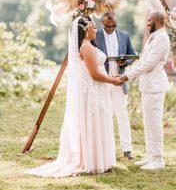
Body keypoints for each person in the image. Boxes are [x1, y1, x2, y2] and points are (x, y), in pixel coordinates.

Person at [25, 17, 123, 177]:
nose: (96, 30)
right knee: (93, 122)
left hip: (97, 90)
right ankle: (92, 160)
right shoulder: (87, 48)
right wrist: (113, 81)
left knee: (96, 122)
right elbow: (95, 74)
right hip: (93, 91)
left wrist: (110, 77)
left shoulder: (87, 46)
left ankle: (98, 159)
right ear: (86, 29)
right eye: (93, 27)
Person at [120, 11, 170, 170]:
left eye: (149, 21)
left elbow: (149, 63)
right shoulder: (154, 37)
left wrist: (127, 76)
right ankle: (150, 156)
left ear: (157, 20)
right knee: (148, 122)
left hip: (155, 86)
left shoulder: (161, 38)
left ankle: (157, 159)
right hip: (148, 86)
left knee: (154, 123)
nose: (147, 24)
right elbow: (142, 60)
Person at [95, 12, 136, 160]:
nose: (111, 29)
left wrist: (125, 62)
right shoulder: (95, 35)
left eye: (113, 26)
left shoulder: (124, 35)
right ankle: (105, 149)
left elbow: (132, 53)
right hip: (102, 80)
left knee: (122, 114)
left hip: (119, 79)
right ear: (102, 23)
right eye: (107, 26)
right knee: (103, 114)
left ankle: (127, 149)